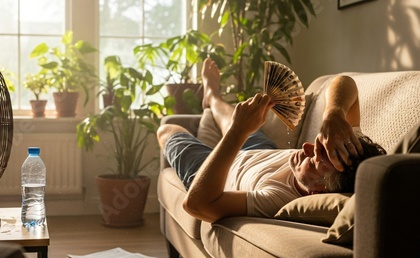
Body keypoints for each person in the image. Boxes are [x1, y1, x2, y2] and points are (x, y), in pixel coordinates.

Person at [157, 58, 386, 223]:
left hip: (215, 169)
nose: (306, 147)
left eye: (314, 161)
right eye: (317, 146)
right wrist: (334, 114)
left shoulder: (276, 199)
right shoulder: (349, 151)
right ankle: (213, 97)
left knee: (167, 129)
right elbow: (344, 82)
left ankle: (216, 103)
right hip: (263, 151)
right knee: (230, 114)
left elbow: (197, 205)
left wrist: (237, 133)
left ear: (317, 192)